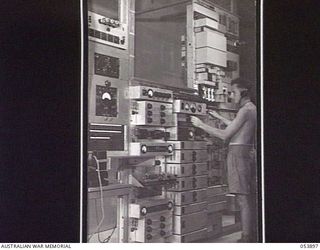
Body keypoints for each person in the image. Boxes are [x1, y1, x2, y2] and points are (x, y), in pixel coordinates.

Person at [191, 78, 257, 242]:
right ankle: (249, 233)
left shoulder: (245, 110)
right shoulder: (251, 109)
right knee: (245, 196)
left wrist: (200, 125)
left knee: (242, 198)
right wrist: (219, 117)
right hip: (244, 153)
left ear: (243, 92)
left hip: (237, 154)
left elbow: (225, 135)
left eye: (233, 92)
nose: (231, 96)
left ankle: (246, 237)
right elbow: (235, 126)